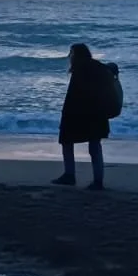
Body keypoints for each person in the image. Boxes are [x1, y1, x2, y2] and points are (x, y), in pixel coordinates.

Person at [52, 43, 109, 190]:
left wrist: (64, 118)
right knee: (95, 147)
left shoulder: (79, 70)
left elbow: (72, 97)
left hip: (80, 114)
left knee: (66, 142)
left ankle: (70, 175)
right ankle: (98, 181)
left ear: (76, 55)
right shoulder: (99, 67)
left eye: (71, 54)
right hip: (98, 114)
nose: (70, 57)